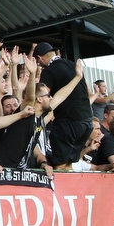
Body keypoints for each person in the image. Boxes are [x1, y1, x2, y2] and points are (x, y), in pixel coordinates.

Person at [34, 42, 93, 170]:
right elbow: (88, 93)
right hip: (87, 122)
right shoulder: (73, 65)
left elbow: (43, 96)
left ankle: (60, 190)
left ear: (39, 58)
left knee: (60, 164)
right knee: (69, 163)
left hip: (68, 122)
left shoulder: (49, 71)